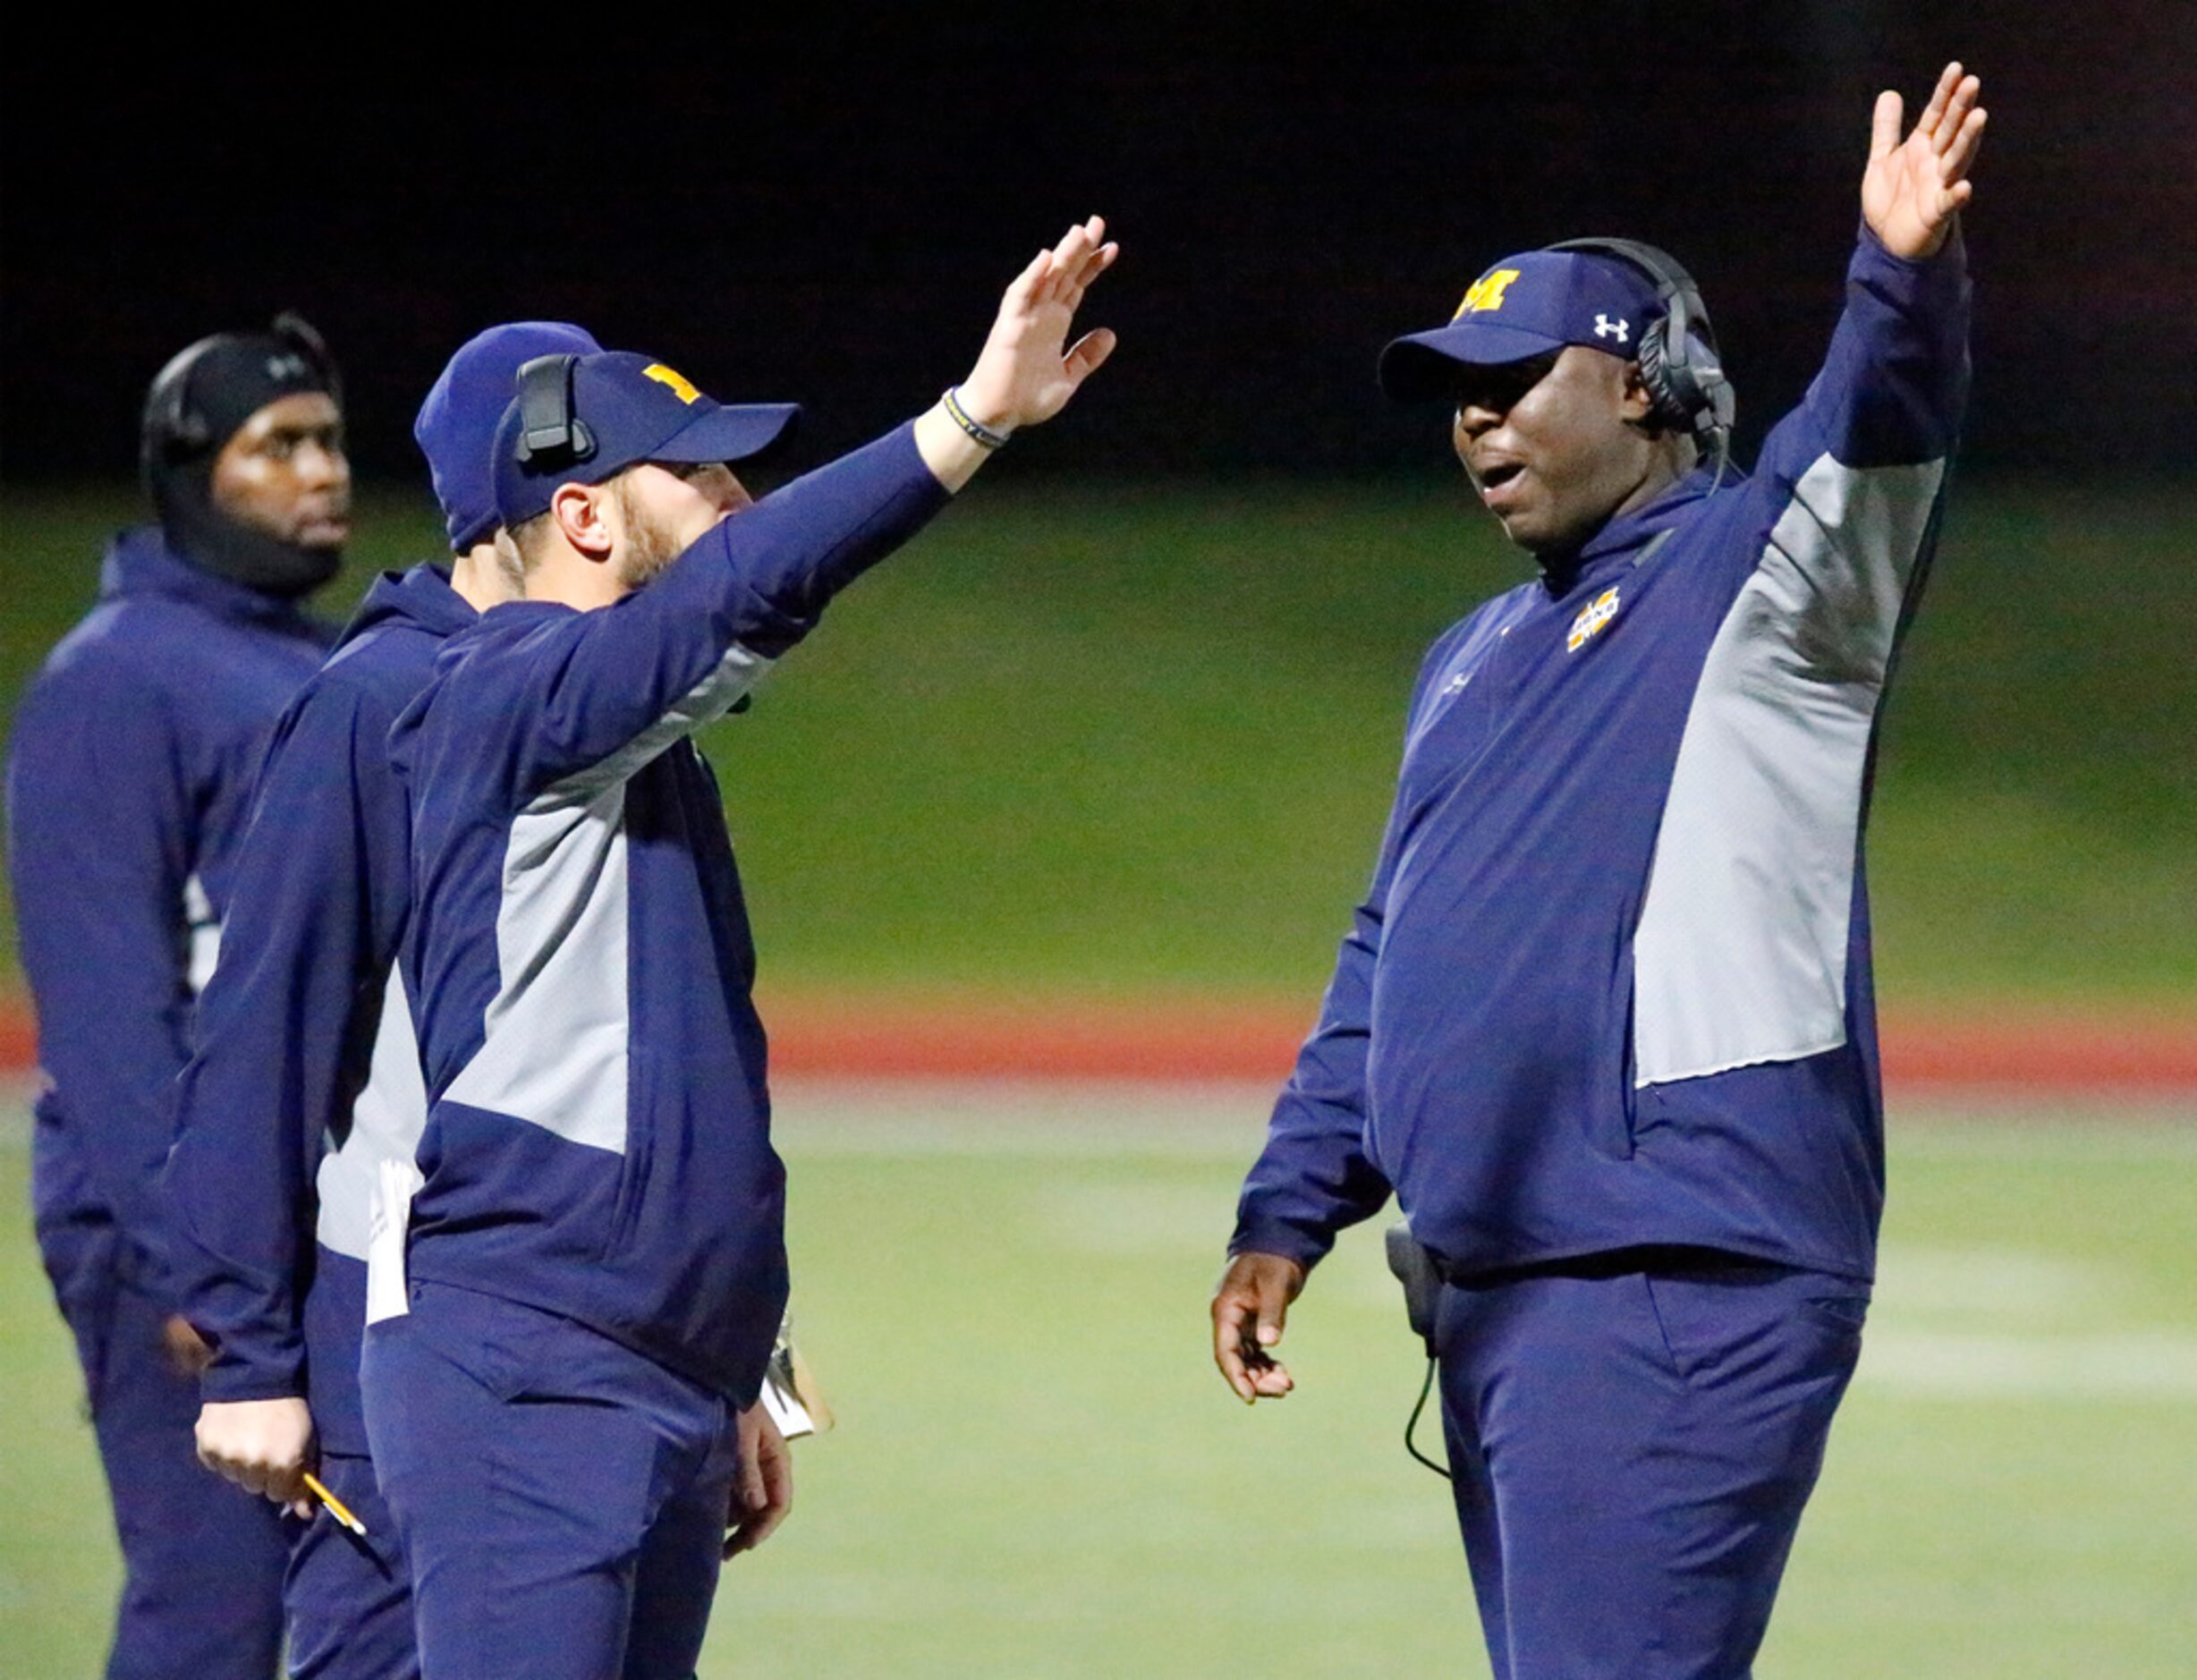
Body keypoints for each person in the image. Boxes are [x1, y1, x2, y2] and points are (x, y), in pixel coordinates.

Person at [1211, 66, 1984, 1677]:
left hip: (1669, 1283)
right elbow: (1390, 945)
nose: (1475, 415)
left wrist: (1900, 278)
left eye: (1512, 377)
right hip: (1510, 1292)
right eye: (1456, 389)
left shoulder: (1755, 588)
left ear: (1642, 390)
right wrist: (1292, 1203)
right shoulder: (1472, 649)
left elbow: (1872, 435)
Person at [366, 216, 1118, 1676]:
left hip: (639, 1359)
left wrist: (737, 1359)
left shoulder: (636, 742)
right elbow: (748, 587)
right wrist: (967, 421)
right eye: (699, 471)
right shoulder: (503, 687)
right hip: (531, 1366)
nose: (737, 495)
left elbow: (669, 1079)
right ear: (585, 514)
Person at [163, 320, 602, 1678]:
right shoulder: (379, 701)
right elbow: (262, 1033)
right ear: (555, 487)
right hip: (396, 1333)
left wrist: (738, 1354)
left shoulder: (612, 724)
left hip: (571, 1340)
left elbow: (639, 1059)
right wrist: (247, 1350)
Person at [6, 315, 350, 1677]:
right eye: (279, 446)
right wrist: (191, 1260)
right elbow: (108, 1014)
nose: (319, 470)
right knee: (216, 1607)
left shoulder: (312, 659)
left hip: (302, 1211)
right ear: (189, 471)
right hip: (185, 1229)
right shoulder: (117, 681)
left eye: (328, 440)